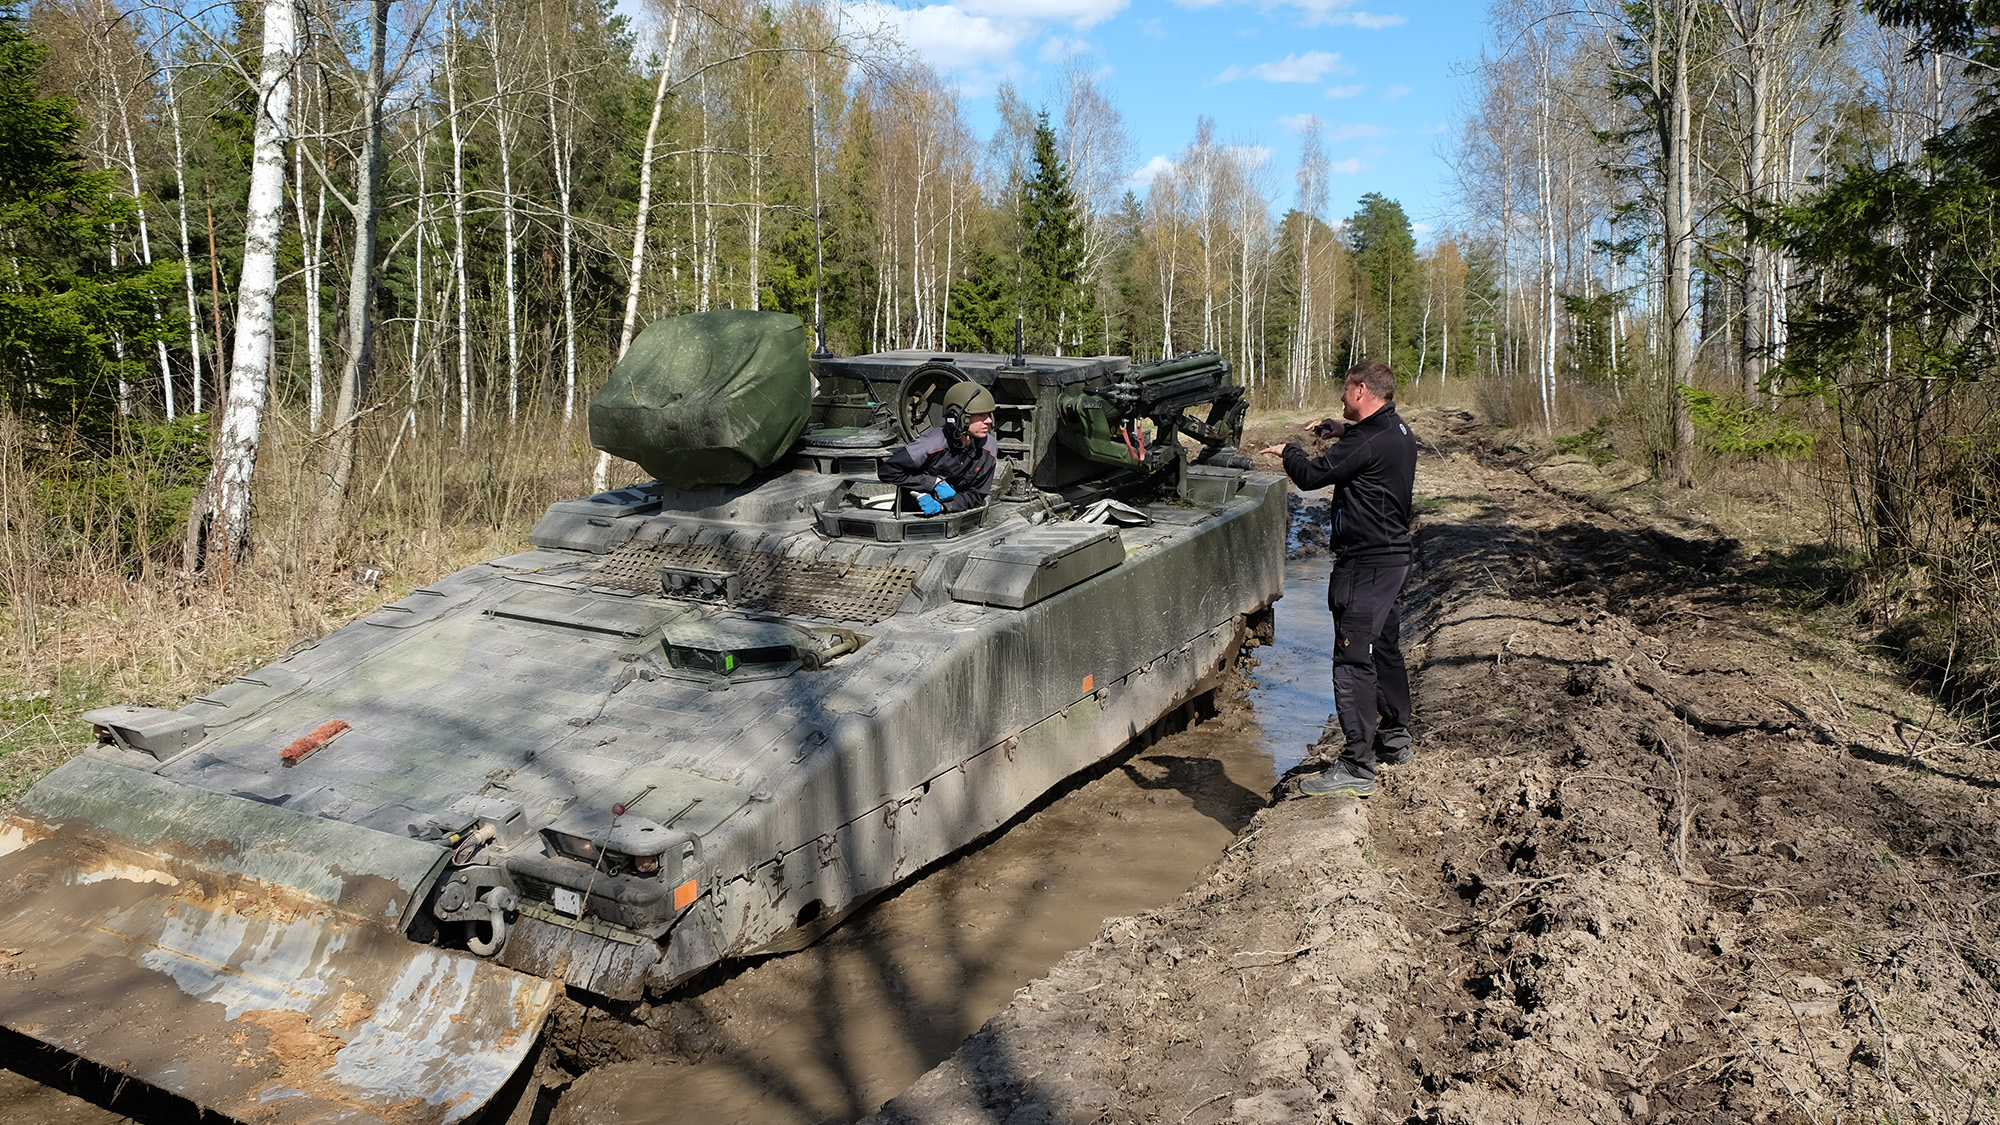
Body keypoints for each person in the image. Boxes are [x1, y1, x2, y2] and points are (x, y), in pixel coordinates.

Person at [1261, 360, 1417, 798]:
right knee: (1384, 648)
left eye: (1346, 393)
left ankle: (1356, 766)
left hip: (1365, 566)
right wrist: (1340, 428)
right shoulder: (1397, 430)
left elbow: (1311, 477)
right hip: (1393, 559)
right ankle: (1395, 738)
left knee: (1352, 661)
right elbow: (1367, 441)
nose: (1342, 400)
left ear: (1363, 390)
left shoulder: (1368, 440)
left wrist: (1287, 451)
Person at [879, 380, 999, 515]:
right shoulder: (931, 444)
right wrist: (932, 482)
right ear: (958, 417)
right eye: (981, 415)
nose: (989, 421)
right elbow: (887, 471)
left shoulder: (989, 447)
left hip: (954, 517)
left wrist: (944, 507)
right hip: (912, 516)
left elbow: (976, 494)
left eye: (989, 415)